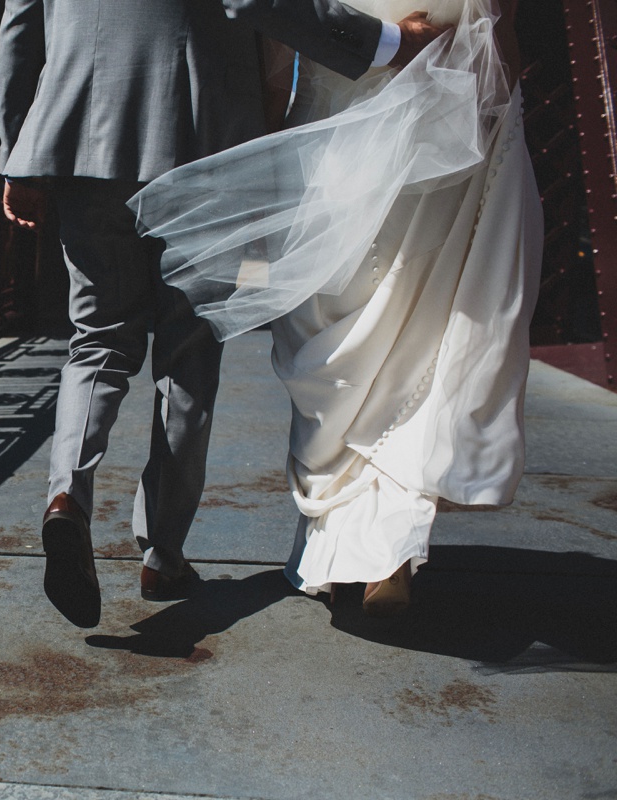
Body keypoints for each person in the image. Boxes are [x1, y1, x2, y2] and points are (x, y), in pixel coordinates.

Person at [0, 0, 449, 627]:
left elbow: (20, 26)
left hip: (79, 133)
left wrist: (19, 150)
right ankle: (162, 553)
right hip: (201, 138)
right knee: (189, 350)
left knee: (96, 340)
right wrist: (386, 43)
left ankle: (67, 497)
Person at [131, 0, 537, 616]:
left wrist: (261, 185)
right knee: (418, 340)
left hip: (337, 152)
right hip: (447, 145)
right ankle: (389, 548)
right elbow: (500, 45)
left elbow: (279, 53)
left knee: (334, 345)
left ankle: (348, 548)